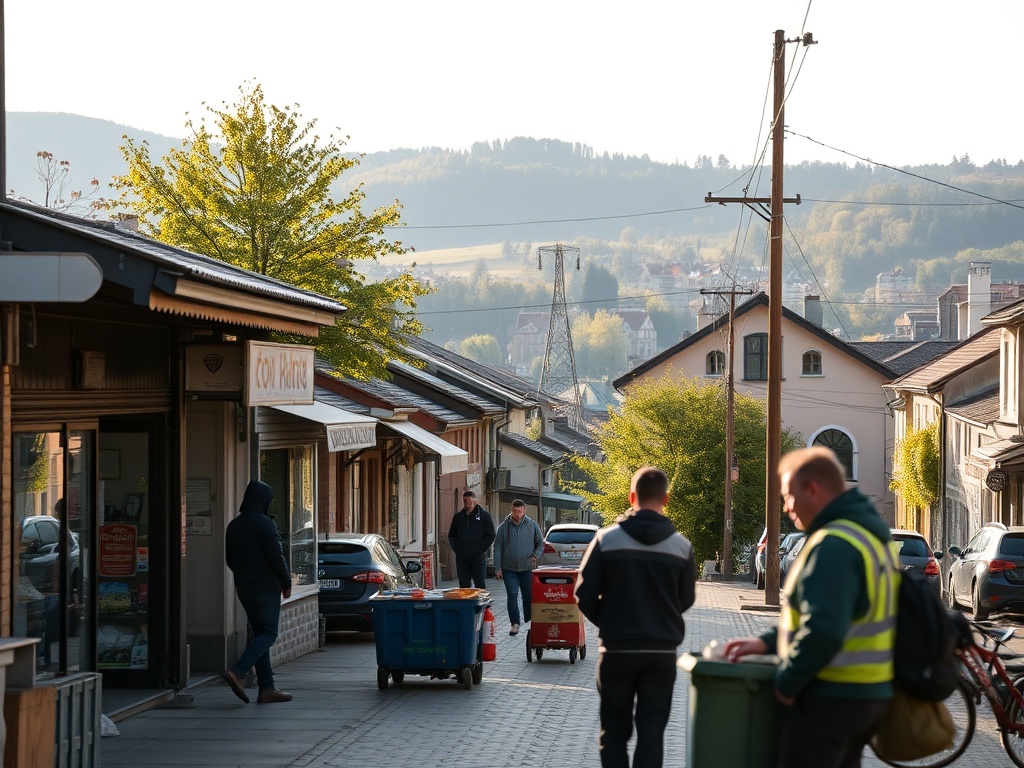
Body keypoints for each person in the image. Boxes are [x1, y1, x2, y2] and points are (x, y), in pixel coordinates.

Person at [724, 446, 897, 768]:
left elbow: (824, 629)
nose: (787, 507)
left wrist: (788, 682)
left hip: (830, 697)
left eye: (789, 495)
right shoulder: (869, 537)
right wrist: (766, 642)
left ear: (814, 490)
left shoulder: (833, 545)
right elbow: (839, 616)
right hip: (866, 696)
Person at [575, 467, 697, 768]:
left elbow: (583, 594)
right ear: (665, 499)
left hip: (617, 651)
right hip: (660, 653)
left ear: (632, 497)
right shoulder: (682, 547)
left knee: (614, 733)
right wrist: (661, 617)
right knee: (652, 731)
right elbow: (687, 598)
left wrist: (611, 621)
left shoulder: (605, 541)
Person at [223, 480, 293, 704]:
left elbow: (230, 560)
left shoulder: (234, 525)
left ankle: (267, 688)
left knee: (259, 633)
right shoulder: (265, 525)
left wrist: (245, 576)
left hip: (244, 588)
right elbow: (277, 557)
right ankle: (239, 670)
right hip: (265, 587)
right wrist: (286, 581)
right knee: (268, 634)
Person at [493, 499, 544, 636]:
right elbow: (497, 548)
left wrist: (535, 555)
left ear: (524, 511)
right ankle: (514, 623)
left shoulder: (532, 525)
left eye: (520, 511)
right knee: (512, 595)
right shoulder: (504, 527)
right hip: (509, 569)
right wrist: (498, 568)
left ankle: (529, 622)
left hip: (527, 569)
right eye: (515, 511)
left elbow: (540, 543)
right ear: (511, 510)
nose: (517, 514)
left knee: (528, 596)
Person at [447, 490, 496, 588]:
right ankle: (466, 603)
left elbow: (491, 535)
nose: (466, 503)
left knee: (479, 584)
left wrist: (480, 549)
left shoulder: (484, 516)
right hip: (462, 558)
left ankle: (480, 603)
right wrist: (456, 548)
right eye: (464, 501)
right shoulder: (458, 517)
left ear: (474, 501)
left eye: (468, 501)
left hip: (478, 557)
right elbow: (452, 535)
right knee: (464, 585)